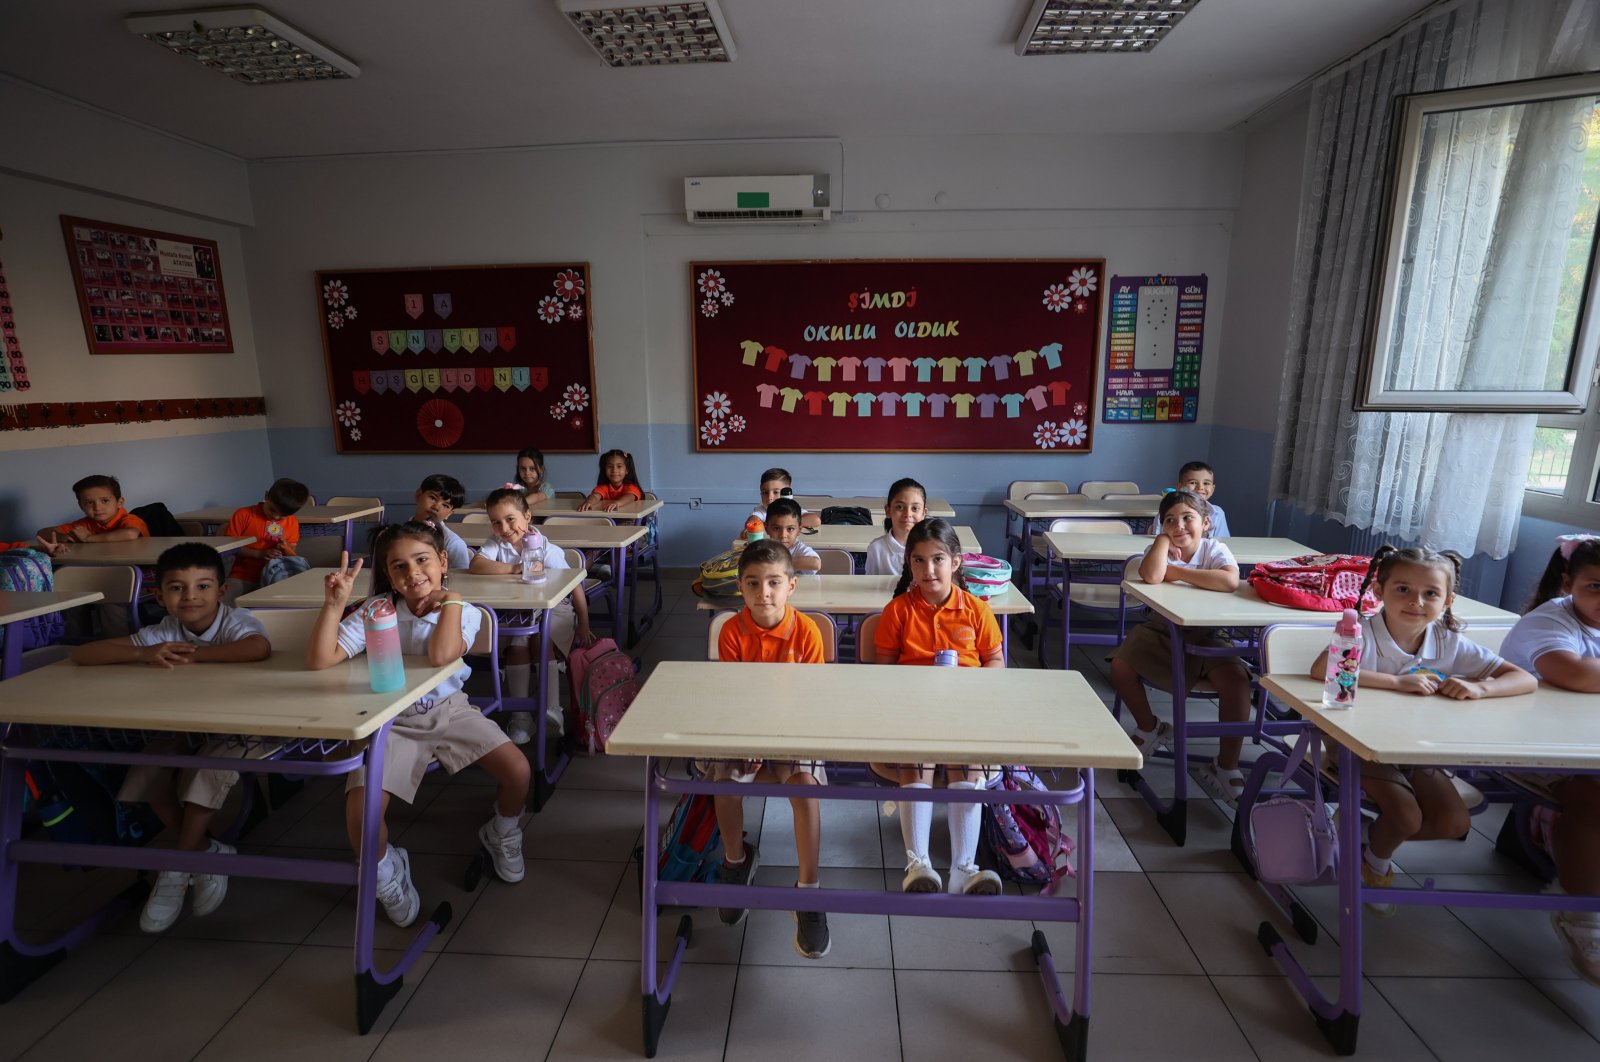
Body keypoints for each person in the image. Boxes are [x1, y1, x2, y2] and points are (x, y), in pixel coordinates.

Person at [307, 526, 530, 926]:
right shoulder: (377, 611)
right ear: (388, 576)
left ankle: (502, 830)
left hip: (448, 708)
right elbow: (321, 660)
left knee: (518, 770)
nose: (413, 573)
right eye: (399, 566)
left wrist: (454, 599)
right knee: (361, 816)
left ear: (443, 562)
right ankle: (386, 869)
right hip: (390, 722)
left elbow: (442, 655)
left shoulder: (466, 610)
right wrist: (334, 604)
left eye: (422, 559)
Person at [1311, 544, 1535, 915]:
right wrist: (1395, 683)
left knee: (1453, 821)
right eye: (1403, 589)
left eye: (1430, 593)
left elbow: (1523, 679)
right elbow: (1325, 671)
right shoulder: (1361, 631)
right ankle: (1376, 864)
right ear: (1379, 592)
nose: (1416, 601)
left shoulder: (1448, 641)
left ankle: (1366, 838)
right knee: (1406, 816)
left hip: (1417, 749)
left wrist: (1481, 687)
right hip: (1358, 744)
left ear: (1448, 600)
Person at [72, 542, 271, 932]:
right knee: (149, 771)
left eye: (202, 586)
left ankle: (180, 865)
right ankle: (203, 851)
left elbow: (257, 647)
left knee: (202, 774)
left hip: (242, 726)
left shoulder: (235, 621)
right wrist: (141, 654)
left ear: (222, 591)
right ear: (159, 596)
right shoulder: (163, 630)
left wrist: (194, 655)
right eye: (177, 588)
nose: (191, 597)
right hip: (184, 723)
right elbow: (86, 654)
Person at [704, 538, 830, 958]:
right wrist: (750, 738)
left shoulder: (808, 632)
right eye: (753, 584)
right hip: (747, 730)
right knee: (725, 781)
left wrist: (775, 738)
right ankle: (736, 861)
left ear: (791, 586)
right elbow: (733, 697)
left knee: (804, 785)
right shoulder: (732, 632)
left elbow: (812, 702)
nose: (764, 593)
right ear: (740, 587)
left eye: (774, 582)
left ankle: (809, 889)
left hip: (795, 730)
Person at [871, 518, 1005, 896]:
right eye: (918, 561)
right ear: (909, 564)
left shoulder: (977, 611)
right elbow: (882, 673)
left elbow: (995, 661)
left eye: (938, 560)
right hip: (913, 710)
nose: (928, 570)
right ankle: (919, 864)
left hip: (965, 709)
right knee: (918, 757)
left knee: (967, 760)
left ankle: (964, 867)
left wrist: (973, 687)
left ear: (956, 563)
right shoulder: (898, 611)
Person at [1109, 489, 1254, 805]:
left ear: (1205, 523)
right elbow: (1150, 574)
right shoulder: (1159, 547)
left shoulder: (1215, 548)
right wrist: (1161, 543)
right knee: (1121, 666)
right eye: (1169, 521)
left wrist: (1175, 572)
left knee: (1238, 682)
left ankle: (1225, 764)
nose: (1179, 526)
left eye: (1187, 518)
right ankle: (1151, 727)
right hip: (1161, 631)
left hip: (1208, 633)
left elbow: (1230, 581)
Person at [1501, 534, 1600, 980]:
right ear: (1568, 584)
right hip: (1530, 740)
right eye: (1595, 586)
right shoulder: (1551, 620)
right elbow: (1574, 674)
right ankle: (1581, 918)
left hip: (1584, 738)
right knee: (1589, 797)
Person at [468, 487, 597, 744]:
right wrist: (516, 568)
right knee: (516, 649)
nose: (504, 528)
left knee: (541, 642)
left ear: (528, 516)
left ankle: (551, 710)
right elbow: (477, 565)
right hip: (517, 611)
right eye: (496, 522)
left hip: (554, 609)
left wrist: (583, 623)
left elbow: (574, 585)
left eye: (510, 519)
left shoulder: (546, 549)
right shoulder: (497, 543)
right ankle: (521, 716)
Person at [222, 477, 310, 599]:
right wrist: (259, 554)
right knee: (223, 605)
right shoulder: (243, 515)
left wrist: (286, 548)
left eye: (282, 516)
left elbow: (292, 553)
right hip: (243, 575)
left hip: (277, 576)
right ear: (266, 496)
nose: (275, 517)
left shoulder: (292, 522)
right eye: (272, 510)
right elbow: (229, 548)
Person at [36, 474, 149, 543]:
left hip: (136, 569)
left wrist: (88, 538)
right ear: (81, 506)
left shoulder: (129, 519)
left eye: (105, 501)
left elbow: (129, 534)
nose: (97, 507)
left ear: (120, 502)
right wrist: (65, 537)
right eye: (89, 502)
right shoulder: (86, 524)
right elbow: (42, 533)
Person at [864, 477, 927, 577]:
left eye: (915, 508)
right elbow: (870, 586)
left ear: (924, 513)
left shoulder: (932, 547)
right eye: (900, 507)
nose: (908, 514)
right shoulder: (876, 549)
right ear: (888, 511)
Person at [411, 473, 474, 571]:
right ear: (418, 495)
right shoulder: (399, 534)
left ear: (449, 514)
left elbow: (461, 580)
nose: (436, 507)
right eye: (433, 498)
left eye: (445, 505)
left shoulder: (454, 544)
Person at [743, 468, 821, 538]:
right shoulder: (762, 510)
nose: (770, 497)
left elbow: (816, 520)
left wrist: (782, 524)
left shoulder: (791, 508)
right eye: (765, 493)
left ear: (787, 494)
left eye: (776, 492)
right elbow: (751, 522)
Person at [763, 497, 821, 573]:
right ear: (766, 529)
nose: (783, 535)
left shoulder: (799, 549)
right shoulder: (763, 548)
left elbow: (816, 563)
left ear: (799, 530)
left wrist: (777, 563)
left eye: (790, 529)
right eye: (776, 528)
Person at [1175, 461, 1230, 539]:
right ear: (1179, 487)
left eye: (1206, 483)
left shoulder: (1217, 513)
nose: (1200, 487)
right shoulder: (1168, 512)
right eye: (1193, 482)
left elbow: (1223, 542)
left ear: (1213, 489)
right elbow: (1156, 540)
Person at [578, 449, 645, 512]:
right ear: (605, 470)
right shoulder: (604, 487)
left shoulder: (631, 487)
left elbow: (630, 496)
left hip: (629, 521)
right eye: (610, 466)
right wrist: (589, 502)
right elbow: (595, 496)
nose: (614, 470)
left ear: (627, 470)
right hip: (608, 519)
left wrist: (617, 503)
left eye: (619, 466)